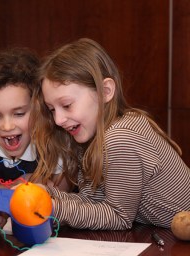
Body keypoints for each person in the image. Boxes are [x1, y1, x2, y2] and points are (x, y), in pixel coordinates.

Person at [31, 38, 190, 230]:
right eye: (52, 109)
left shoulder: (121, 138)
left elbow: (118, 216)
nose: (58, 120)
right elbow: (92, 203)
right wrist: (48, 195)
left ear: (105, 92)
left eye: (66, 105)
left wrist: (54, 208)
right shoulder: (93, 136)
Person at [0, 48, 70, 191]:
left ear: (40, 107)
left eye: (19, 114)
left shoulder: (57, 140)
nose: (7, 126)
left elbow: (61, 200)